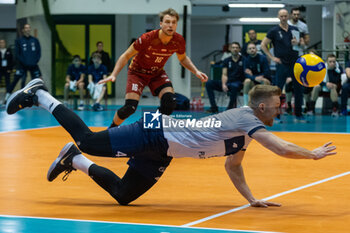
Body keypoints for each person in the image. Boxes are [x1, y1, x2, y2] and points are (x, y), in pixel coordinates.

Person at [5, 79, 336, 206]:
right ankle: (40, 95)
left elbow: (232, 165)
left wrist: (251, 198)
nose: (282, 109)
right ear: (263, 106)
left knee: (124, 195)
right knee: (90, 140)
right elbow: (279, 148)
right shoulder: (248, 117)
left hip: (163, 153)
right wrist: (312, 155)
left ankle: (73, 160)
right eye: (278, 105)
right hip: (153, 131)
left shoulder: (244, 131)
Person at [99, 8, 208, 128]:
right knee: (130, 108)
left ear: (176, 24)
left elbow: (182, 58)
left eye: (173, 22)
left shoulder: (178, 40)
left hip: (157, 74)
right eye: (167, 22)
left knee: (170, 101)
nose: (170, 25)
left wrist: (196, 71)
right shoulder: (147, 38)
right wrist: (114, 74)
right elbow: (125, 56)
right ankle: (112, 129)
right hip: (137, 73)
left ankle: (152, 128)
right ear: (161, 24)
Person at [261, 9, 306, 123]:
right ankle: (276, 116)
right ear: (278, 17)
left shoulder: (295, 29)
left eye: (286, 16)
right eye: (282, 16)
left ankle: (299, 115)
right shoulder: (274, 31)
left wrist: (299, 44)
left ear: (289, 16)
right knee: (277, 91)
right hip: (281, 63)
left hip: (295, 63)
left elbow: (303, 46)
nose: (284, 18)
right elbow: (263, 45)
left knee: (298, 89)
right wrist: (272, 58)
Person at [205, 42, 244, 113]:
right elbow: (224, 74)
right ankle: (214, 107)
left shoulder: (244, 60)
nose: (235, 49)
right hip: (228, 82)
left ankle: (229, 108)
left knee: (234, 86)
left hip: (238, 83)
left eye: (236, 48)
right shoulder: (227, 60)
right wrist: (223, 84)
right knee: (209, 83)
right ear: (230, 49)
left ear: (239, 49)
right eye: (233, 47)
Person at [6, 24, 42, 95]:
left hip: (33, 65)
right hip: (22, 65)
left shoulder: (35, 40)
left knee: (37, 81)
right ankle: (7, 96)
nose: (27, 29)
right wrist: (24, 62)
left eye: (29, 28)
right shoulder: (19, 41)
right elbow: (17, 53)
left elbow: (39, 52)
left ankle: (37, 96)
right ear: (23, 30)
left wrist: (35, 61)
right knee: (18, 80)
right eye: (26, 28)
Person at [0, 39, 13, 104]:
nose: (2, 44)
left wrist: (10, 69)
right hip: (0, 70)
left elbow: (11, 61)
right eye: (1, 42)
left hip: (7, 70)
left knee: (8, 83)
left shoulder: (8, 51)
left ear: (5, 43)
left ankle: (7, 98)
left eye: (3, 42)